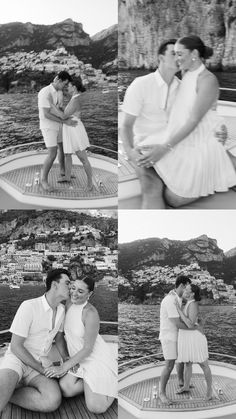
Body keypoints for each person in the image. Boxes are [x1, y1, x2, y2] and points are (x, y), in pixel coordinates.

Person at [137, 35, 236, 208]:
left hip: (201, 140)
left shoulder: (208, 80)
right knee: (141, 150)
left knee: (173, 200)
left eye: (179, 54)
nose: (176, 59)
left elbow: (194, 120)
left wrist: (165, 147)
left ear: (194, 54)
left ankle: (221, 170)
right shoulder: (186, 72)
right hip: (187, 136)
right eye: (174, 54)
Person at [0, 268, 71, 413]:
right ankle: (6, 392)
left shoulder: (62, 310)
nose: (71, 287)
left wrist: (67, 360)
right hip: (18, 360)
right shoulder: (29, 306)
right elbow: (16, 347)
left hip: (39, 364)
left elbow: (58, 338)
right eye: (67, 283)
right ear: (55, 285)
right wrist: (42, 369)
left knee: (52, 400)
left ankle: (10, 393)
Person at [120, 39, 180, 208]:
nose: (179, 58)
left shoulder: (183, 88)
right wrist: (131, 153)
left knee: (177, 197)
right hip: (144, 149)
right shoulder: (140, 85)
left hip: (171, 147)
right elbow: (125, 126)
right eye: (173, 53)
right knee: (152, 187)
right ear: (161, 57)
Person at [44, 276, 117, 414]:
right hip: (78, 358)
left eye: (80, 291)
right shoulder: (69, 304)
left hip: (94, 359)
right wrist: (67, 359)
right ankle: (93, 385)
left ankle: (114, 382)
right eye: (73, 288)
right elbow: (60, 334)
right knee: (66, 389)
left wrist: (64, 368)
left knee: (96, 408)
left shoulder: (90, 313)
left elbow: (88, 348)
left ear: (90, 294)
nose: (74, 293)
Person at [159, 275, 204, 404]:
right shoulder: (170, 300)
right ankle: (162, 394)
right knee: (169, 365)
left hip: (177, 336)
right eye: (187, 288)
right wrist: (194, 327)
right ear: (182, 285)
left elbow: (185, 314)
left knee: (181, 360)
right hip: (169, 337)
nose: (187, 292)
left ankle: (181, 381)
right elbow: (176, 323)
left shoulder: (177, 298)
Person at [50, 78, 93, 190]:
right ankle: (67, 177)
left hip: (74, 130)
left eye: (69, 86)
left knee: (83, 158)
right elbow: (67, 113)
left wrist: (52, 106)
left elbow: (64, 116)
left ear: (74, 88)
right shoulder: (74, 98)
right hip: (70, 128)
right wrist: (61, 108)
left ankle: (90, 184)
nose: (67, 87)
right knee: (67, 154)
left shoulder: (75, 100)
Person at [38, 71, 77, 192]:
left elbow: (58, 109)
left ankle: (63, 171)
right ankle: (43, 180)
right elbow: (46, 114)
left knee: (63, 148)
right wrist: (64, 121)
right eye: (64, 84)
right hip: (48, 126)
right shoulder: (45, 92)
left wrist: (66, 115)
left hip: (58, 124)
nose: (65, 87)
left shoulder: (58, 92)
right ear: (58, 80)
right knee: (52, 153)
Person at [174, 283, 212, 400]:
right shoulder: (189, 303)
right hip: (188, 337)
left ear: (192, 293)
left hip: (195, 338)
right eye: (185, 288)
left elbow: (190, 324)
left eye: (187, 289)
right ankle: (186, 386)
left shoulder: (193, 304)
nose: (185, 290)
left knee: (203, 364)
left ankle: (209, 392)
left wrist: (178, 310)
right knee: (188, 363)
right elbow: (193, 321)